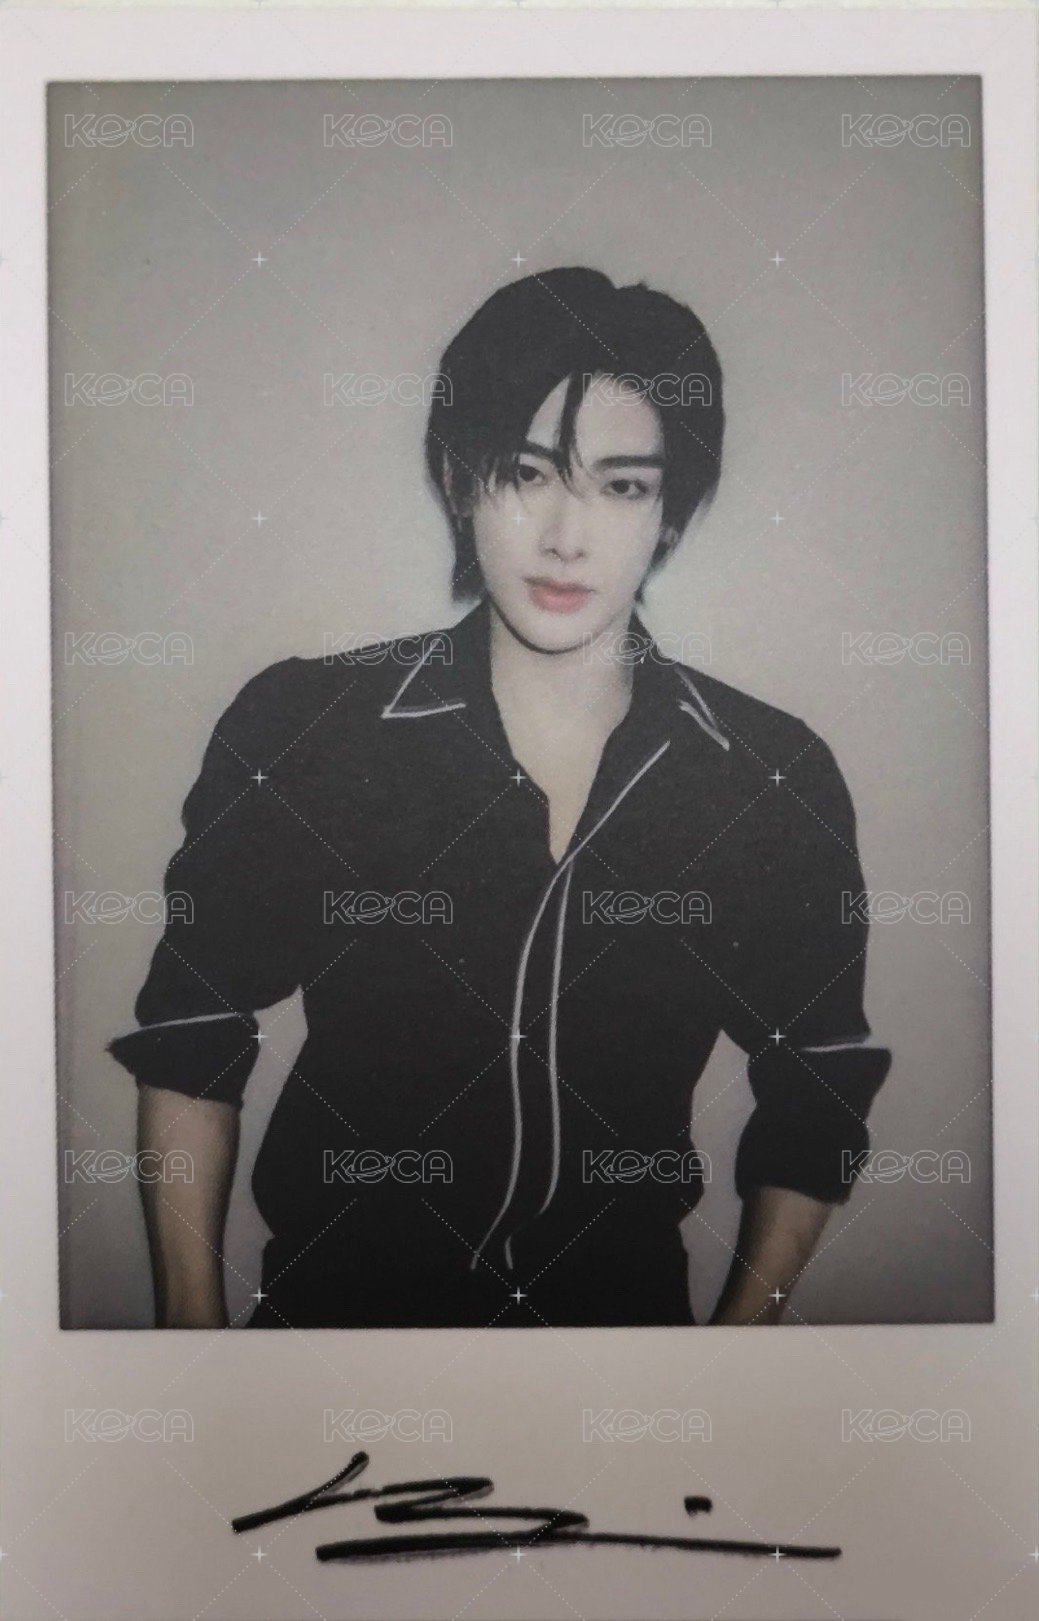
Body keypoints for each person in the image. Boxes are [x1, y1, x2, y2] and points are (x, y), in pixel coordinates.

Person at [108, 267, 891, 1330]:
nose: (567, 534)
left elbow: (818, 1084)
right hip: (337, 1342)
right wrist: (191, 1348)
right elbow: (192, 1031)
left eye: (622, 486)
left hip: (623, 1355)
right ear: (459, 476)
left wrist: (731, 1364)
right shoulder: (310, 726)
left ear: (668, 512)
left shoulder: (765, 775)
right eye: (527, 473)